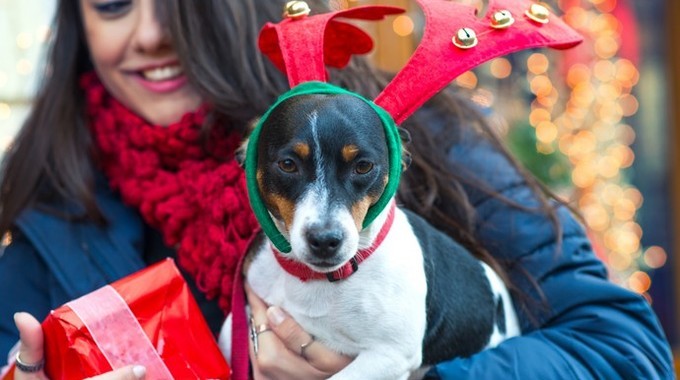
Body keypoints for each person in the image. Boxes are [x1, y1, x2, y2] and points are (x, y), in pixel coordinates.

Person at [0, 0, 674, 379]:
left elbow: (624, 351)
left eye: (185, 3)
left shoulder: (410, 136)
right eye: (113, 2)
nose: (148, 35)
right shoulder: (50, 221)